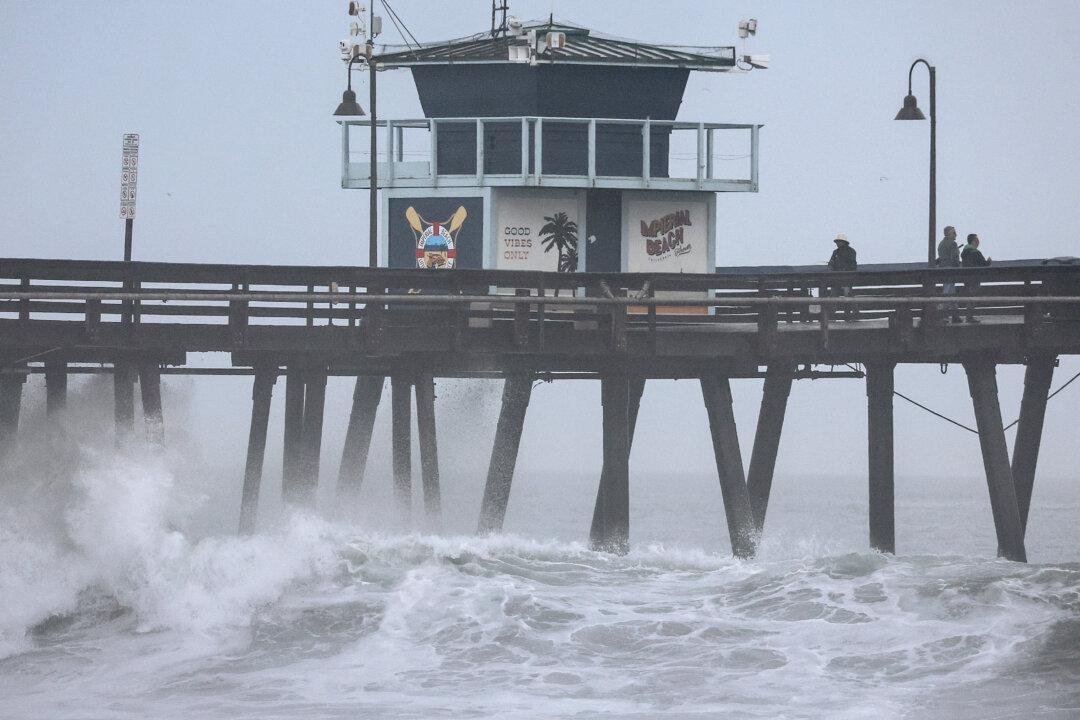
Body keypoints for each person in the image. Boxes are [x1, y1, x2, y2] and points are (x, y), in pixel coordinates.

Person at [960, 233, 991, 323]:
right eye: (977, 240)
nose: (978, 242)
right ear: (973, 241)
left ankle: (968, 316)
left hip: (966, 278)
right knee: (973, 297)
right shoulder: (975, 252)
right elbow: (983, 264)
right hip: (975, 278)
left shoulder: (964, 252)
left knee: (969, 296)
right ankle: (970, 317)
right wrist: (989, 262)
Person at [828, 233, 857, 319]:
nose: (837, 243)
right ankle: (832, 316)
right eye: (837, 242)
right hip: (836, 280)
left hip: (846, 279)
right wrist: (830, 268)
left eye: (839, 241)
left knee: (847, 294)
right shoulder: (835, 252)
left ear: (844, 242)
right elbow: (831, 263)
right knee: (833, 295)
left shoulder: (851, 251)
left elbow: (852, 266)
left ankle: (849, 315)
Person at [937, 225, 962, 322]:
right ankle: (942, 315)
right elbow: (954, 259)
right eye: (954, 233)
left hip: (943, 271)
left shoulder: (941, 244)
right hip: (951, 271)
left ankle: (955, 316)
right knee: (948, 292)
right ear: (948, 234)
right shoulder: (953, 244)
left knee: (950, 292)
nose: (956, 234)